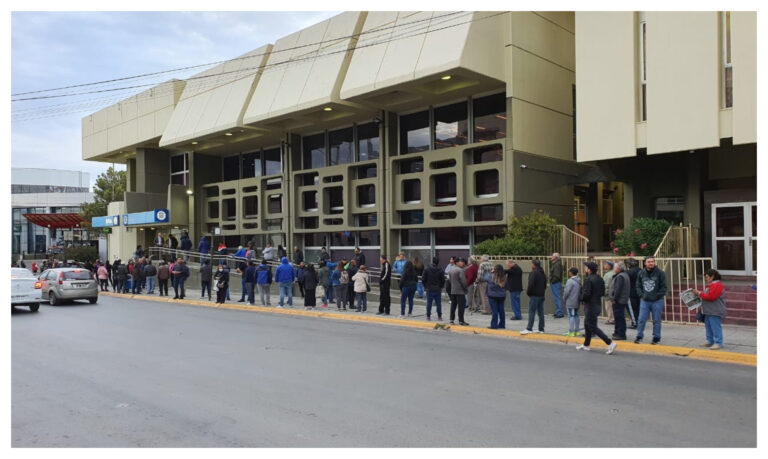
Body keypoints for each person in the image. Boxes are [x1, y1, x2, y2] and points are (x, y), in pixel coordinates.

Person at [577, 262, 617, 354]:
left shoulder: (588, 279)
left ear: (589, 270)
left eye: (586, 268)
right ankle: (586, 344)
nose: (585, 269)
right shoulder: (600, 278)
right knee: (587, 324)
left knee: (592, 326)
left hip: (590, 305)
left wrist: (580, 298)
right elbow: (602, 292)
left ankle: (610, 343)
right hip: (597, 304)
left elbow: (586, 294)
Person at [634, 256, 668, 345]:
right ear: (645, 263)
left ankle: (656, 338)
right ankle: (639, 336)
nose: (651, 263)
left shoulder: (660, 273)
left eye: (652, 261)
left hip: (657, 301)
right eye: (649, 262)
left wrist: (656, 296)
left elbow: (664, 287)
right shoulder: (641, 273)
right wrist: (641, 295)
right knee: (641, 319)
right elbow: (638, 286)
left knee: (656, 320)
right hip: (645, 300)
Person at [694, 269, 726, 350]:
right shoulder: (712, 285)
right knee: (708, 326)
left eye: (707, 277)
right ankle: (709, 340)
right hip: (709, 310)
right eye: (705, 277)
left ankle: (718, 342)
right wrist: (700, 294)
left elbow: (711, 297)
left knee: (715, 327)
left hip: (715, 310)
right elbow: (708, 295)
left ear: (713, 277)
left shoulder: (717, 285)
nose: (706, 279)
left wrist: (699, 293)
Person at [521, 259, 547, 335]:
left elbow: (531, 284)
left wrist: (529, 292)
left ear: (534, 265)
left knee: (532, 311)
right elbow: (545, 284)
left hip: (534, 295)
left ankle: (529, 328)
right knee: (541, 313)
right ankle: (541, 329)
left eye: (532, 264)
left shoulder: (533, 273)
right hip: (541, 295)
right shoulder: (542, 273)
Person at [608, 261, 630, 340]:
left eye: (615, 267)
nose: (614, 269)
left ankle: (620, 334)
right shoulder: (623, 275)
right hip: (621, 300)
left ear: (618, 268)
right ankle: (617, 332)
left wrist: (614, 299)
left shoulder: (620, 276)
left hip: (619, 301)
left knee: (619, 317)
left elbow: (618, 289)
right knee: (619, 317)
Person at [422, 256, 445, 321]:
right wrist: (441, 286)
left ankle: (428, 316)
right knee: (438, 303)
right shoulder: (440, 270)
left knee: (429, 303)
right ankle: (439, 316)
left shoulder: (427, 269)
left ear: (432, 261)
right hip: (437, 289)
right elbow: (443, 280)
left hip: (429, 288)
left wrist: (425, 286)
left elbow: (423, 279)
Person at [448, 258, 469, 326]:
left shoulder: (451, 270)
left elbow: (450, 281)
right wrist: (466, 288)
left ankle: (451, 320)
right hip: (460, 291)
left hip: (453, 290)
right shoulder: (460, 270)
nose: (462, 263)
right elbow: (463, 281)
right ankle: (461, 320)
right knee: (461, 307)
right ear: (457, 263)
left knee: (453, 306)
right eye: (461, 262)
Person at [486, 264, 508, 329]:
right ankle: (502, 325)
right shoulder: (505, 276)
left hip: (492, 296)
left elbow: (485, 278)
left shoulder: (491, 276)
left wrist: (490, 272)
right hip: (502, 295)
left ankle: (494, 325)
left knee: (494, 311)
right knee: (501, 310)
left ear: (495, 269)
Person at [563, 267, 582, 337]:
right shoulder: (579, 280)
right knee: (576, 315)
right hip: (577, 301)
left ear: (571, 273)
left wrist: (564, 299)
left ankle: (571, 331)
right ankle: (577, 331)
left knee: (571, 316)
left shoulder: (570, 281)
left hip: (571, 301)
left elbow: (566, 292)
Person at [626, 258, 640, 329]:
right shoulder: (641, 271)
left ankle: (634, 323)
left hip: (631, 292)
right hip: (639, 293)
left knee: (632, 309)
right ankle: (639, 322)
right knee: (638, 308)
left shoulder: (629, 272)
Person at [550, 252, 564, 318]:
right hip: (555, 282)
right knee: (556, 298)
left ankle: (559, 313)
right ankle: (558, 312)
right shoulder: (556, 264)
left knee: (557, 298)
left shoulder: (557, 264)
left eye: (552, 256)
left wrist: (552, 281)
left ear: (555, 257)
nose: (551, 257)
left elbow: (557, 275)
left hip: (556, 283)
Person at [603, 260, 615, 324]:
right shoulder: (612, 273)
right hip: (612, 294)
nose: (604, 265)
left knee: (609, 307)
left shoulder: (608, 275)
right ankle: (611, 318)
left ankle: (611, 319)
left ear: (609, 266)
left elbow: (607, 285)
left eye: (606, 264)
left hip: (608, 295)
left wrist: (605, 293)